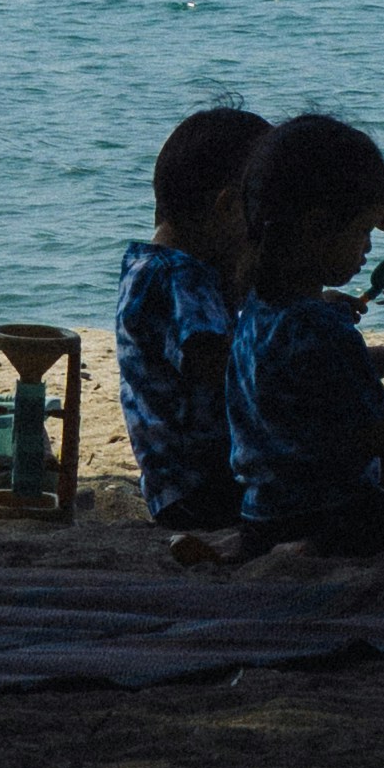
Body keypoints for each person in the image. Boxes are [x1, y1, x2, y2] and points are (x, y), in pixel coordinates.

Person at [224, 113, 384, 555]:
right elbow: (367, 440)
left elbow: (322, 382)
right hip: (333, 515)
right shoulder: (318, 325)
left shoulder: (259, 310)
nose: (369, 246)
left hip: (263, 517)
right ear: (317, 226)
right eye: (362, 230)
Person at [115, 103, 264, 531]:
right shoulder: (181, 278)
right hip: (206, 490)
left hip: (175, 490)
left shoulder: (148, 266)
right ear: (229, 208)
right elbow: (225, 365)